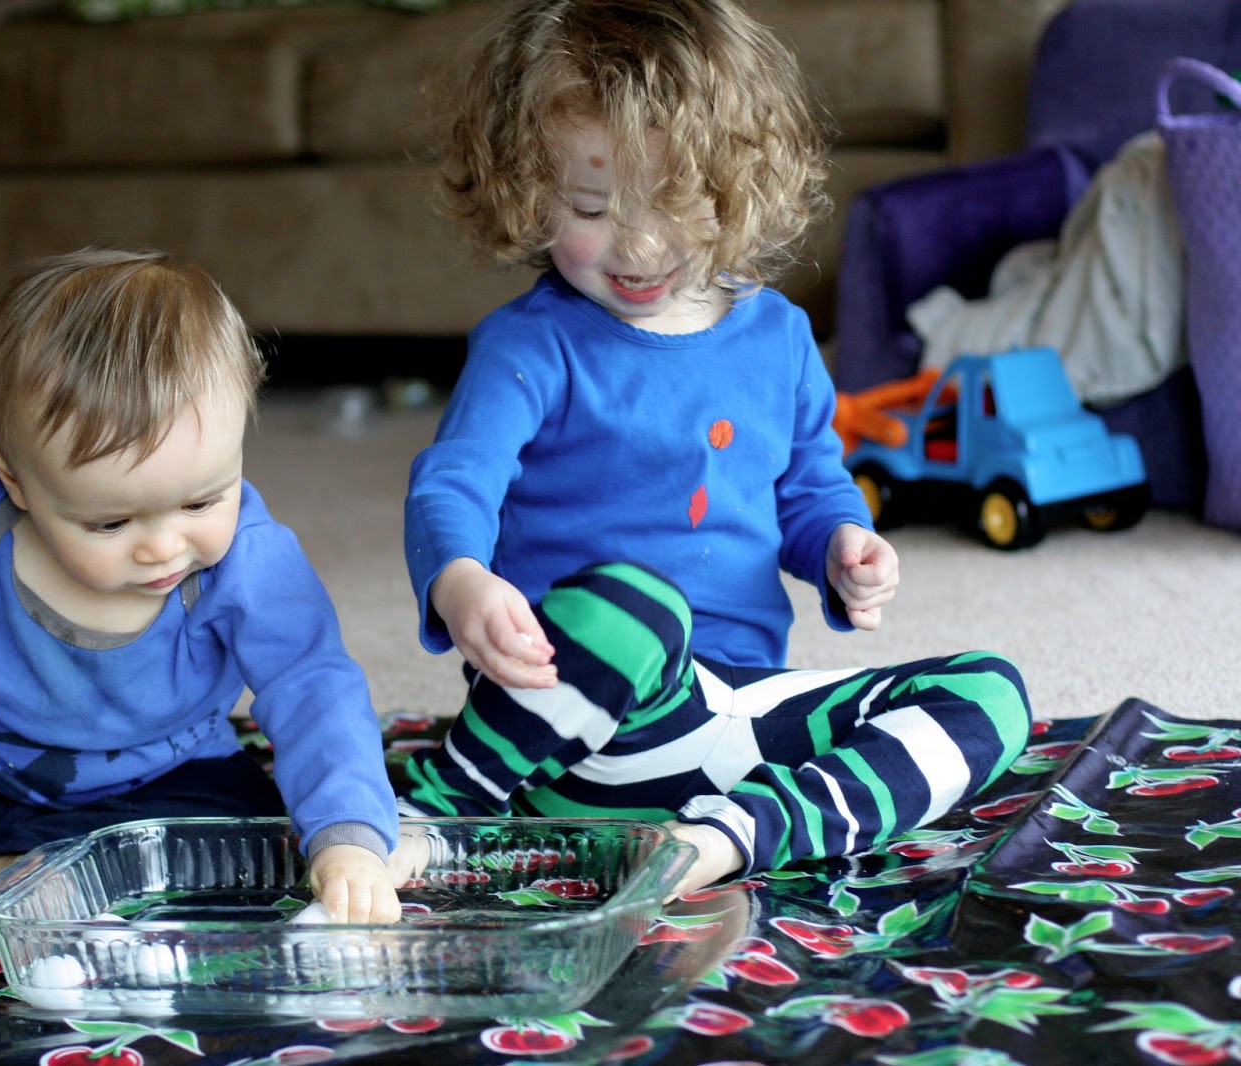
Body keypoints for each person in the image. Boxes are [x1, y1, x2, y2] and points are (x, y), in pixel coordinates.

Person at [396, 0, 1032, 897]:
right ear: (529, 193)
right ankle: (439, 808)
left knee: (992, 692)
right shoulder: (529, 346)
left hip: (738, 723)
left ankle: (733, 838)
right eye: (590, 207)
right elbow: (451, 485)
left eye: (674, 202)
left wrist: (843, 545)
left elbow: (808, 486)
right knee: (635, 609)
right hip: (577, 734)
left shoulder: (780, 336)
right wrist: (460, 581)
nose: (639, 243)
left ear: (739, 182)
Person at [0, 248, 401, 941]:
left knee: (255, 834)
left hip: (155, 778)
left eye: (203, 501)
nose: (164, 547)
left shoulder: (250, 558)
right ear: (15, 481)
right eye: (110, 523)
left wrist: (349, 838)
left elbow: (313, 684)